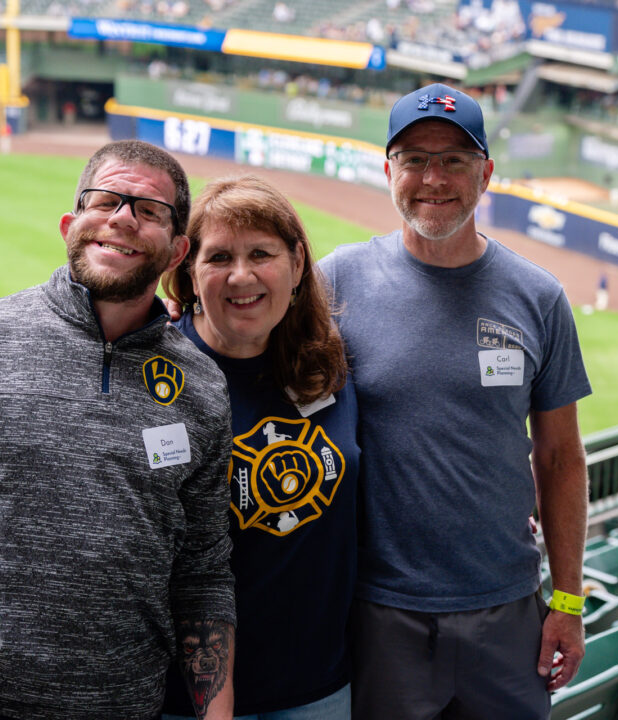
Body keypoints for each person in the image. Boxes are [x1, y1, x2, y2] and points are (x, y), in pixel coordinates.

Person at [0, 140, 236, 720]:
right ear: (71, 224)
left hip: (122, 705)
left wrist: (216, 714)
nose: (123, 217)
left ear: (178, 249)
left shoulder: (202, 386)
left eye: (149, 209)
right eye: (104, 199)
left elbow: (203, 570)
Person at [319, 83, 592, 719]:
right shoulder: (336, 281)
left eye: (454, 160)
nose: (432, 178)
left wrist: (570, 603)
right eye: (414, 159)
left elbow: (560, 458)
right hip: (379, 613)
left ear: (486, 173)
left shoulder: (540, 296)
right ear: (389, 170)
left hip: (507, 612)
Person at [159, 175, 360, 719]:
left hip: (318, 688)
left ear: (297, 265)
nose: (241, 275)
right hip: (182, 699)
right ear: (188, 272)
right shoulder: (153, 374)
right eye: (219, 256)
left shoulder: (331, 366)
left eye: (261, 254)